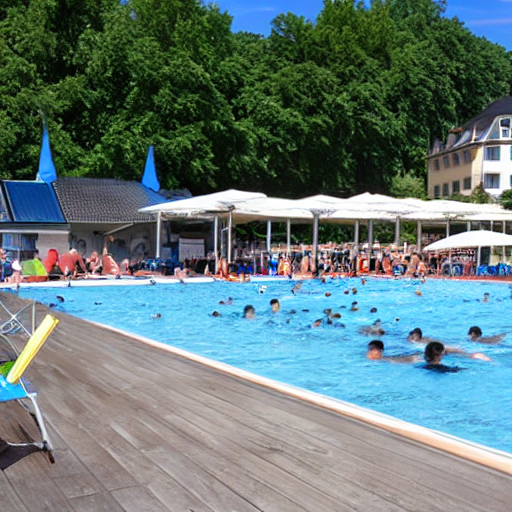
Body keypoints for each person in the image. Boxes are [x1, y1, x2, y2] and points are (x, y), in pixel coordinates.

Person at [408, 328, 491, 360]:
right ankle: (474, 355)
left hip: (440, 348)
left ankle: (475, 355)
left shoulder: (416, 341)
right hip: (442, 346)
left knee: (462, 353)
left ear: (415, 335)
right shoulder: (426, 338)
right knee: (460, 352)